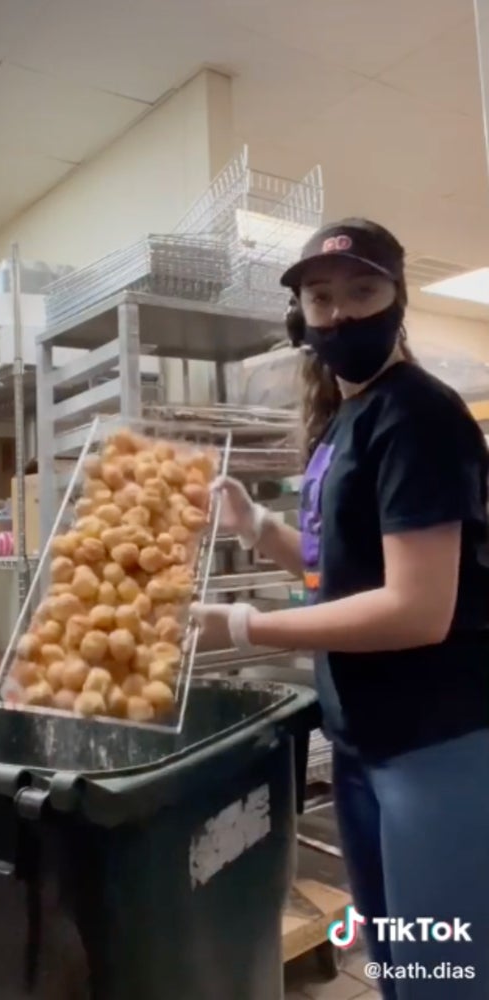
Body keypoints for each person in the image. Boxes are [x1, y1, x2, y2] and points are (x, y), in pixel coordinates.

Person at [191, 219, 489, 995]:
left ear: (398, 300)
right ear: (301, 315)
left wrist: (243, 625)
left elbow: (417, 609)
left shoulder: (419, 417)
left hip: (435, 743)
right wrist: (258, 527)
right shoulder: (345, 419)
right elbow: (341, 569)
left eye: (363, 290)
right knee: (395, 961)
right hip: (362, 740)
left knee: (444, 971)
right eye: (322, 298)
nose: (342, 313)